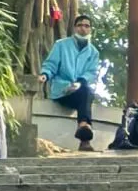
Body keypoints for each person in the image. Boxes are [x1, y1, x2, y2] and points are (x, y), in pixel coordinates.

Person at [41, 11, 102, 148]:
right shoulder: (61, 45)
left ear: (90, 29)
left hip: (80, 93)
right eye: (80, 25)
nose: (83, 28)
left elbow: (91, 73)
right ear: (75, 28)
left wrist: (80, 82)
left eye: (86, 26)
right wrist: (45, 74)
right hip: (62, 92)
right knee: (86, 93)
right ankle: (85, 131)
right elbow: (51, 64)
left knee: (86, 90)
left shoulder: (93, 52)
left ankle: (83, 129)